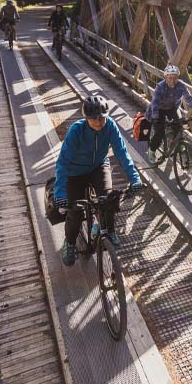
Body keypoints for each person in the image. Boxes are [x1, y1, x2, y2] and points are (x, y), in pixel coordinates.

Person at [54, 95, 145, 265]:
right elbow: (63, 162)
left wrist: (135, 179)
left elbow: (122, 153)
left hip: (98, 166)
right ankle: (70, 242)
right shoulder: (76, 130)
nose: (99, 123)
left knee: (108, 199)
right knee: (75, 212)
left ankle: (109, 231)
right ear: (86, 118)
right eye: (94, 119)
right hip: (75, 171)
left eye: (102, 118)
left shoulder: (110, 125)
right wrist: (60, 193)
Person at [146, 64, 192, 164]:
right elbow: (155, 102)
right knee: (159, 132)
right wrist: (155, 116)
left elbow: (188, 98)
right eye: (170, 78)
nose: (172, 80)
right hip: (159, 109)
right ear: (165, 77)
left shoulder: (181, 85)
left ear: (178, 78)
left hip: (172, 108)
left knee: (179, 125)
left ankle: (177, 143)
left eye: (175, 78)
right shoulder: (160, 86)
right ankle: (152, 151)